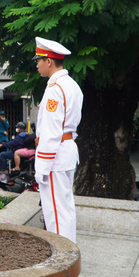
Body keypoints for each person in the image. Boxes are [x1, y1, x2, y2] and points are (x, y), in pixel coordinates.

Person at [33, 37, 83, 243]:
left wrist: (41, 167)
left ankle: (61, 258)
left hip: (56, 155)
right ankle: (68, 253)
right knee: (64, 207)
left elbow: (51, 132)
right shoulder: (71, 85)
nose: (36, 64)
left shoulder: (56, 89)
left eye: (38, 60)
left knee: (56, 212)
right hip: (66, 149)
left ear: (49, 61)